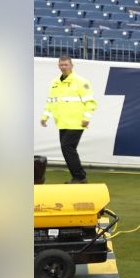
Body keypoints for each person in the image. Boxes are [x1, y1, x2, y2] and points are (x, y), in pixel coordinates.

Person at [40, 55, 98, 184]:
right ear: (58, 66)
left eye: (66, 65)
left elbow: (90, 102)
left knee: (67, 147)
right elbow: (51, 101)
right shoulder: (55, 83)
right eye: (61, 65)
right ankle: (79, 176)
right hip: (62, 123)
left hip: (76, 122)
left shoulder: (81, 81)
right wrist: (45, 116)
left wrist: (86, 118)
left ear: (72, 66)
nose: (63, 67)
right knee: (68, 149)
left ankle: (80, 177)